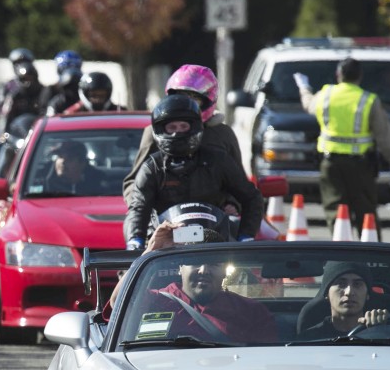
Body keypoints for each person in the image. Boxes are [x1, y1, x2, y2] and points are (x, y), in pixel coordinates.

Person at [124, 95, 262, 249]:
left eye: (183, 126)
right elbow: (138, 208)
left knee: (247, 268)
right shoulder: (152, 167)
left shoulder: (218, 160)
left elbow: (251, 197)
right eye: (172, 128)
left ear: (196, 127)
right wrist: (135, 239)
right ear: (160, 130)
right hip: (165, 243)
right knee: (130, 270)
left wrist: (246, 236)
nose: (178, 133)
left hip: (216, 243)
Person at [118, 222, 277, 343]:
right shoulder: (157, 300)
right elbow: (117, 303)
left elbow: (266, 362)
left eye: (213, 264)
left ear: (225, 271)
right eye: (195, 262)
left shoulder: (251, 312)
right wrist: (152, 249)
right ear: (180, 268)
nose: (203, 270)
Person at [295, 57, 390, 238]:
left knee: (337, 214)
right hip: (360, 166)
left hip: (330, 165)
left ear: (338, 75)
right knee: (366, 213)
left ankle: (342, 258)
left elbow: (308, 104)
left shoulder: (326, 95)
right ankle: (374, 259)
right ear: (360, 76)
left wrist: (303, 87)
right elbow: (384, 135)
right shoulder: (368, 100)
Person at [124, 64, 243, 203]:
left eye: (194, 99)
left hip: (214, 218)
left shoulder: (223, 134)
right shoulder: (155, 132)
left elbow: (239, 185)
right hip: (165, 218)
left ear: (207, 100)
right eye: (181, 97)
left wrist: (233, 204)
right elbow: (134, 183)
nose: (186, 105)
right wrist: (141, 208)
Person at [298, 261, 390, 339]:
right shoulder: (309, 339)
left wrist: (378, 333)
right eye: (341, 284)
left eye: (357, 284)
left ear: (367, 294)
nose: (349, 292)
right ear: (326, 293)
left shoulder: (387, 334)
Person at [0, 62, 42, 175]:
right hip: (17, 137)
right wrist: (4, 135)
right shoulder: (14, 96)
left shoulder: (43, 93)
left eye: (30, 79)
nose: (28, 83)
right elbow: (5, 117)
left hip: (37, 136)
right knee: (5, 155)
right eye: (24, 79)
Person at [42, 140, 106, 195]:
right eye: (60, 157)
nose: (63, 162)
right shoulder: (44, 182)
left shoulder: (96, 185)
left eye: (70, 158)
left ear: (82, 163)